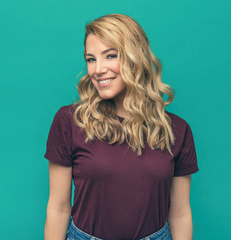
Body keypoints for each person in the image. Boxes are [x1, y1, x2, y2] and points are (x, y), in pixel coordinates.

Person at [44, 13, 199, 240]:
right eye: (91, 59)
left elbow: (180, 213)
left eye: (110, 56)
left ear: (136, 58)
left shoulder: (176, 130)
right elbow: (58, 208)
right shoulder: (69, 121)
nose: (97, 70)